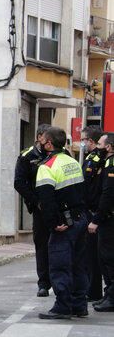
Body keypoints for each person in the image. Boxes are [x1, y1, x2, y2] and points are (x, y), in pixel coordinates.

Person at [35, 127, 88, 319]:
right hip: (80, 218)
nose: (40, 143)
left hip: (64, 224)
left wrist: (54, 224)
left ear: (49, 143)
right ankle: (79, 305)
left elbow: (47, 201)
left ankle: (62, 306)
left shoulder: (46, 166)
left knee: (59, 265)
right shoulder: (72, 162)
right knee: (78, 264)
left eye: (43, 141)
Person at [14, 124, 52, 297]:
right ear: (39, 137)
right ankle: (43, 283)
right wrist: (36, 202)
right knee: (42, 245)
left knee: (60, 244)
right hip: (40, 209)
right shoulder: (27, 156)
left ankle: (59, 280)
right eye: (46, 137)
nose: (49, 141)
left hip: (58, 208)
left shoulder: (60, 154)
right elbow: (19, 183)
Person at [88, 133, 114, 312]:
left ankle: (111, 298)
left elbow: (108, 194)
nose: (97, 147)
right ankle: (108, 295)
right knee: (105, 259)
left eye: (100, 144)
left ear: (109, 147)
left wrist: (96, 219)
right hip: (106, 217)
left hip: (108, 219)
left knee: (109, 259)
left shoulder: (111, 164)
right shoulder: (105, 162)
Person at [81, 125, 106, 302]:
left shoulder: (97, 159)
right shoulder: (91, 157)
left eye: (83, 140)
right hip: (89, 209)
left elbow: (94, 188)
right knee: (90, 253)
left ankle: (95, 290)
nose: (82, 143)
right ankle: (92, 289)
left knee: (95, 254)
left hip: (94, 211)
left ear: (90, 141)